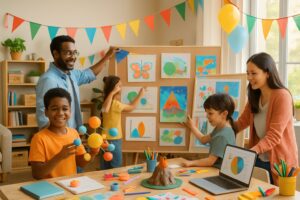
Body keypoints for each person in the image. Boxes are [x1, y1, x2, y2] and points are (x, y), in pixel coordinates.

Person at [234, 52, 298, 185]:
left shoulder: (282, 96)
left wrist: (251, 152)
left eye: (253, 73)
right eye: (247, 73)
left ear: (267, 73)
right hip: (258, 158)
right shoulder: (255, 95)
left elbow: (274, 135)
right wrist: (221, 128)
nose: (249, 77)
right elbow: (241, 123)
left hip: (279, 162)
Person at [36, 35, 117, 130]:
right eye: (68, 53)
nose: (73, 57)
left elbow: (89, 74)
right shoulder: (49, 80)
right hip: (59, 136)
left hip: (72, 133)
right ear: (56, 54)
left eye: (74, 53)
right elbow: (43, 116)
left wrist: (108, 56)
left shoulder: (72, 75)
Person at [29, 88, 98, 179]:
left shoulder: (74, 133)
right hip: (50, 189)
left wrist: (93, 152)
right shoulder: (39, 138)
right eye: (54, 109)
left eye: (65, 109)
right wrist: (59, 156)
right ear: (46, 112)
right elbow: (37, 174)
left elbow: (80, 163)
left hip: (70, 186)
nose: (60, 113)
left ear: (70, 111)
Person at [100, 75, 145, 169]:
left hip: (104, 138)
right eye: (120, 86)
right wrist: (140, 95)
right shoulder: (115, 104)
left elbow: (105, 109)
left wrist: (111, 93)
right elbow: (131, 107)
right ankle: (114, 182)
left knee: (105, 165)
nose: (122, 87)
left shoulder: (108, 102)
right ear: (115, 88)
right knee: (116, 164)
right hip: (114, 139)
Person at [182, 93, 236, 168]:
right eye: (207, 113)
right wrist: (192, 127)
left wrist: (191, 163)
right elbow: (203, 140)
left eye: (210, 113)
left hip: (217, 172)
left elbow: (210, 161)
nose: (207, 116)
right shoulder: (221, 128)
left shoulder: (222, 135)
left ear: (224, 114)